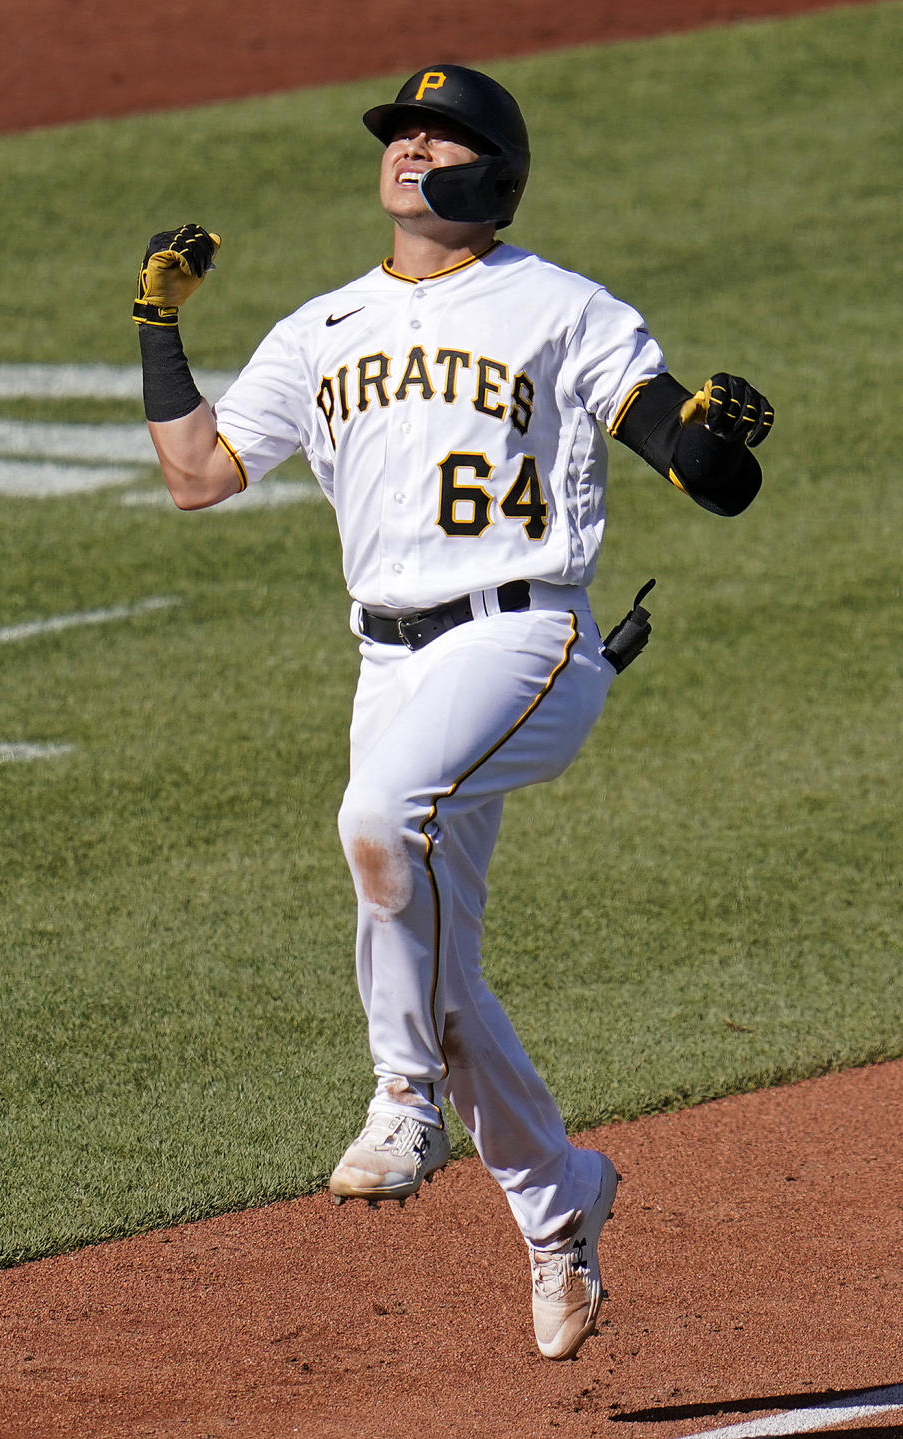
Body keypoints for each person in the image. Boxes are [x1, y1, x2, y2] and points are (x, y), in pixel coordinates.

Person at [134, 63, 773, 1361]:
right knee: (440, 965)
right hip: (391, 670)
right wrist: (159, 331)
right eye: (401, 133)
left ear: (496, 169)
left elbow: (692, 461)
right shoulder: (321, 331)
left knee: (379, 817)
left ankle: (402, 1099)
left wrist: (715, 446)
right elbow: (198, 474)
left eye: (442, 134)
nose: (413, 150)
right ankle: (559, 1203)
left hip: (526, 635)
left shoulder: (561, 307)